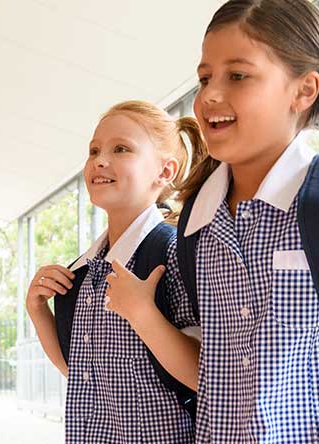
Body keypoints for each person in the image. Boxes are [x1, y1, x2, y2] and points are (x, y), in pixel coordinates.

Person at [110, 1, 319, 442]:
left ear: (304, 90)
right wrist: (142, 315)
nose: (210, 95)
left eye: (238, 75)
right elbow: (207, 376)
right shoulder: (195, 224)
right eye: (205, 77)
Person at [25, 100, 205, 443]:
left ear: (165, 172)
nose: (99, 160)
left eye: (121, 149)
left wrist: (142, 313)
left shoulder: (173, 253)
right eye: (94, 151)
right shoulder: (87, 268)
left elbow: (203, 376)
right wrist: (38, 311)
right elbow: (80, 372)